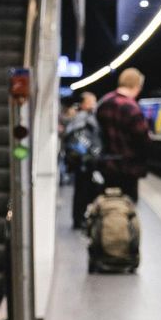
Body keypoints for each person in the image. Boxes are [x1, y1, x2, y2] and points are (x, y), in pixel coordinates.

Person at [95, 68, 149, 202]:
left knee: (107, 204)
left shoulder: (103, 102)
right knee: (127, 207)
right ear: (136, 85)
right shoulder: (132, 107)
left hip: (105, 166)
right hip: (128, 169)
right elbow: (143, 140)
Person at [63, 92, 102, 228]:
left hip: (81, 161)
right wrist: (91, 156)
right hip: (84, 162)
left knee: (81, 191)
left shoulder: (78, 118)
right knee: (84, 191)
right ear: (84, 103)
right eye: (92, 101)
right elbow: (85, 140)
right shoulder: (84, 119)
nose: (94, 104)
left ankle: (78, 219)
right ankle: (80, 220)